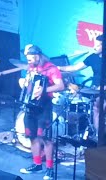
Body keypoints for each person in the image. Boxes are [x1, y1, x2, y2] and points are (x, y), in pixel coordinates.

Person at [19, 44, 65, 179]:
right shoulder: (31, 68)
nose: (28, 61)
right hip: (30, 107)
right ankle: (37, 164)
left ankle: (49, 169)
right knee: (32, 136)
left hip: (44, 107)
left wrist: (44, 90)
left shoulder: (52, 69)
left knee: (46, 138)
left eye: (30, 59)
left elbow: (61, 86)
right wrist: (23, 83)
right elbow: (29, 84)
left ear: (37, 56)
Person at [58, 34, 103, 137]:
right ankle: (97, 135)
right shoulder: (93, 57)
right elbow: (75, 68)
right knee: (96, 108)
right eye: (94, 44)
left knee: (100, 107)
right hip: (95, 90)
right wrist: (59, 68)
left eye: (98, 45)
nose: (94, 47)